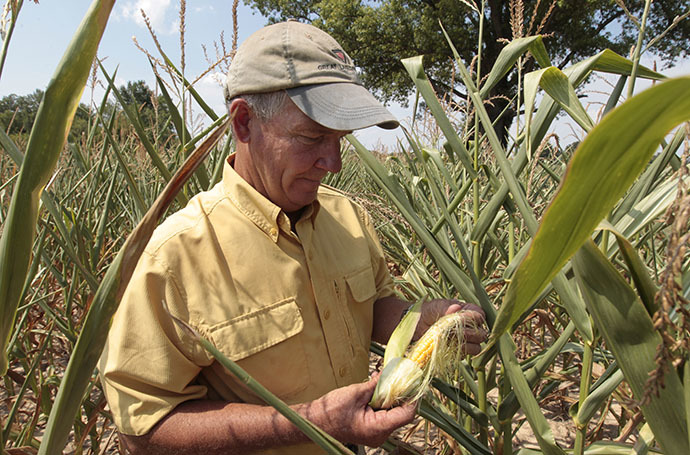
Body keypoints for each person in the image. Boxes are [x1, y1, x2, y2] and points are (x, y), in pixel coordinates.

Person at [98, 20, 486, 455]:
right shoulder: (175, 257)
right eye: (312, 137)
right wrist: (312, 422)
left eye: (341, 139)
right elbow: (144, 429)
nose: (333, 163)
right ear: (244, 122)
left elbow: (370, 307)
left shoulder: (349, 216)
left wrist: (418, 322)